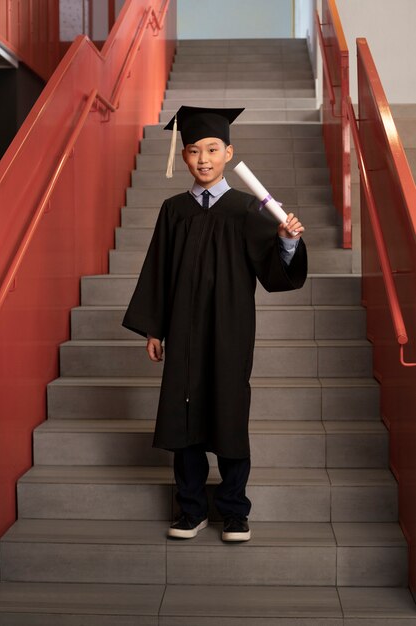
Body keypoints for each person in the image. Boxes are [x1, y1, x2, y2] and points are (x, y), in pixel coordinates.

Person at [122, 106, 307, 542]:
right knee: (182, 416)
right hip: (183, 331)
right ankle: (190, 509)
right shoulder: (173, 211)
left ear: (228, 152)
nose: (203, 158)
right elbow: (158, 272)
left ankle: (234, 510)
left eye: (212, 149)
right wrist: (154, 328)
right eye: (193, 150)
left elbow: (273, 272)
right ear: (183, 156)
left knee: (228, 413)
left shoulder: (248, 209)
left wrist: (287, 243)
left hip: (230, 330)